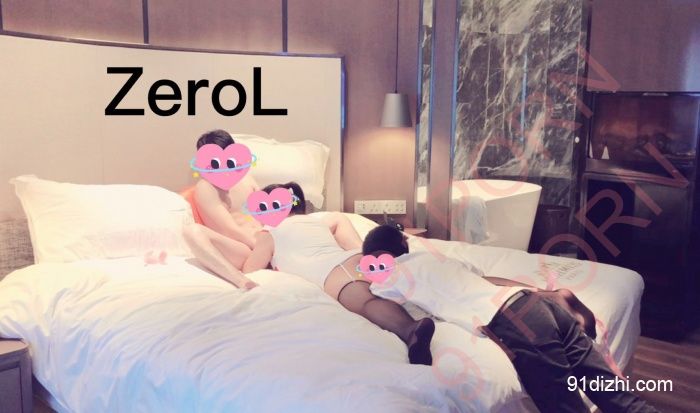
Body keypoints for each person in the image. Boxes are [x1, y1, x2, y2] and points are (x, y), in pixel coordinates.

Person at [362, 225, 659, 413]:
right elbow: (484, 278)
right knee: (613, 394)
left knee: (562, 405)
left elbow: (373, 295)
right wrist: (541, 291)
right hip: (531, 302)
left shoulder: (389, 276)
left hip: (514, 321)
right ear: (405, 243)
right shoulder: (440, 258)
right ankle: (557, 296)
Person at [242, 182, 436, 365]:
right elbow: (338, 218)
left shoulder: (270, 234)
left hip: (334, 272)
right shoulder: (316, 222)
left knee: (366, 302)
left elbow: (250, 270)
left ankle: (410, 330)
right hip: (356, 259)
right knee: (392, 286)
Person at [183, 130, 261, 290]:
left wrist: (271, 241)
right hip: (243, 249)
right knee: (192, 232)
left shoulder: (247, 178)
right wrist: (258, 247)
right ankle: (241, 280)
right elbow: (228, 230)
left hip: (265, 240)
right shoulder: (206, 187)